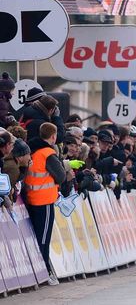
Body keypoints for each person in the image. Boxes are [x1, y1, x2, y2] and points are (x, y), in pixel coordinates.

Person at [23, 122, 66, 286]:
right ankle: (45, 271)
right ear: (53, 136)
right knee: (43, 238)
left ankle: (39, 270)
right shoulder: (48, 153)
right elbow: (61, 176)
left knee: (36, 236)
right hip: (45, 200)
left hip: (31, 198)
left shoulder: (32, 150)